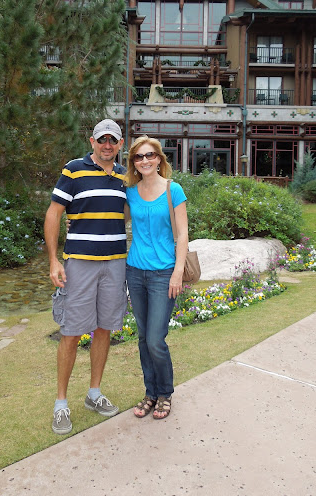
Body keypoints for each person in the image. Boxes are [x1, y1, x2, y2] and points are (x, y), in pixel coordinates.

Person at [44, 119, 127, 435]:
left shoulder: (124, 176)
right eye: (103, 139)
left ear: (120, 145)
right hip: (80, 264)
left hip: (115, 263)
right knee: (71, 331)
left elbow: (131, 211)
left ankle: (94, 394)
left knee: (104, 328)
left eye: (114, 140)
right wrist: (54, 260)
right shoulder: (73, 170)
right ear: (92, 141)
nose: (108, 145)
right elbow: (54, 213)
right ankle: (61, 404)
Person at [124, 135, 188, 420]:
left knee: (155, 340)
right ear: (134, 163)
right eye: (139, 157)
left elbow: (184, 234)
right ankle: (150, 393)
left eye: (150, 155)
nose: (145, 161)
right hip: (135, 272)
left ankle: (165, 393)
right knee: (142, 338)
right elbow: (115, 222)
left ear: (160, 159)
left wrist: (177, 273)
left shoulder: (173, 190)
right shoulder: (130, 193)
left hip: (164, 273)